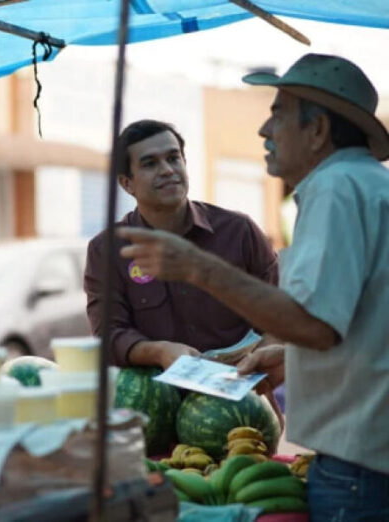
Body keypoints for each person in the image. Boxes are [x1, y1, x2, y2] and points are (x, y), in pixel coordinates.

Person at [118, 54, 389, 520]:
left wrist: (199, 268)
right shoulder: (366, 186)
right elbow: (362, 323)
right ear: (127, 182)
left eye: (277, 112)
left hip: (358, 465)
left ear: (318, 129)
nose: (264, 130)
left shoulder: (337, 189)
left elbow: (314, 325)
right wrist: (287, 355)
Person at [84, 119, 278, 369]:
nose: (167, 170)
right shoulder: (108, 251)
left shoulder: (239, 231)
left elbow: (282, 311)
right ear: (126, 183)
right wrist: (158, 352)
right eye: (150, 163)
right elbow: (109, 335)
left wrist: (261, 361)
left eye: (173, 158)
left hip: (241, 390)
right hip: (155, 397)